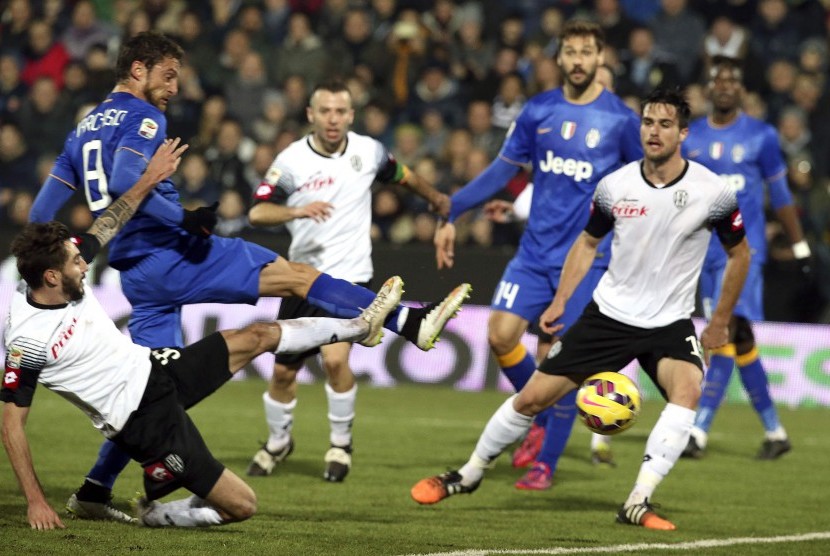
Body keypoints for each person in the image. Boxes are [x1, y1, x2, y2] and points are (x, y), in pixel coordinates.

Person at [27, 31, 470, 522]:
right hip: (175, 251)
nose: (174, 87)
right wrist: (184, 218)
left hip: (135, 272)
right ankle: (410, 323)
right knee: (297, 276)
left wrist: (69, 249)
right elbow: (126, 178)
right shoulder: (143, 116)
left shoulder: (81, 130)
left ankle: (94, 491)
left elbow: (41, 214)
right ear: (138, 70)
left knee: (153, 394)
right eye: (168, 75)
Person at [2, 144, 405, 529]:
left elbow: (111, 220)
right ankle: (157, 515)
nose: (84, 264)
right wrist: (36, 500)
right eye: (76, 262)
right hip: (143, 421)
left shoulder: (60, 269)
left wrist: (149, 179)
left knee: (258, 335)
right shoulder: (27, 341)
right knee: (242, 505)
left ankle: (361, 326)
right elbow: (12, 425)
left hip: (155, 369)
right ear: (51, 277)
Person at [411, 88, 751, 531]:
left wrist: (720, 321)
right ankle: (468, 475)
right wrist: (560, 301)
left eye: (666, 124)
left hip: (669, 323)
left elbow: (740, 254)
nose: (654, 131)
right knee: (531, 399)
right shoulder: (615, 185)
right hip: (608, 317)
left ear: (683, 133)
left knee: (687, 391)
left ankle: (638, 501)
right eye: (648, 122)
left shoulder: (713, 191)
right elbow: (588, 243)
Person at [433, 20, 642, 491]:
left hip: (587, 260)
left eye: (586, 52)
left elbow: (642, 188)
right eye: (570, 51)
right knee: (500, 335)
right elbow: (502, 170)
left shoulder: (621, 120)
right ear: (559, 57)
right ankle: (541, 415)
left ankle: (546, 464)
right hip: (533, 254)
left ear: (600, 58)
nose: (578, 60)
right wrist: (453, 210)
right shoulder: (538, 110)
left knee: (563, 360)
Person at [245, 79, 456, 482]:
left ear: (351, 115)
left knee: (335, 360)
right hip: (302, 280)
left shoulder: (368, 151)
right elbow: (258, 212)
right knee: (283, 374)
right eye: (325, 111)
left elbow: (404, 175)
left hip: (351, 277)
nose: (333, 119)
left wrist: (435, 198)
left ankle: (340, 446)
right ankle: (278, 442)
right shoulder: (291, 161)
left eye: (340, 111)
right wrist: (296, 211)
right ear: (311, 114)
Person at [680, 55, 809, 460]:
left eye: (732, 80)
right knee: (741, 339)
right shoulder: (692, 136)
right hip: (705, 252)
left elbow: (780, 193)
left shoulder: (761, 136)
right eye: (717, 80)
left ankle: (697, 431)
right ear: (708, 87)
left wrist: (799, 244)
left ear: (741, 89)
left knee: (722, 330)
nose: (724, 86)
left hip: (744, 252)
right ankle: (775, 432)